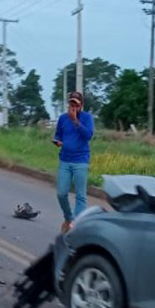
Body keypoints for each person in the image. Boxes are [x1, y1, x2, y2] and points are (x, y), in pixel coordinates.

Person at [54, 91, 94, 234]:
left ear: (81, 105)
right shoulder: (63, 119)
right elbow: (58, 133)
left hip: (80, 160)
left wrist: (76, 121)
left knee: (80, 195)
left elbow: (88, 135)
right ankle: (68, 218)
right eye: (71, 104)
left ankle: (76, 225)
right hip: (65, 159)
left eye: (76, 104)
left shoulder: (87, 118)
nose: (73, 107)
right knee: (61, 193)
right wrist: (57, 141)